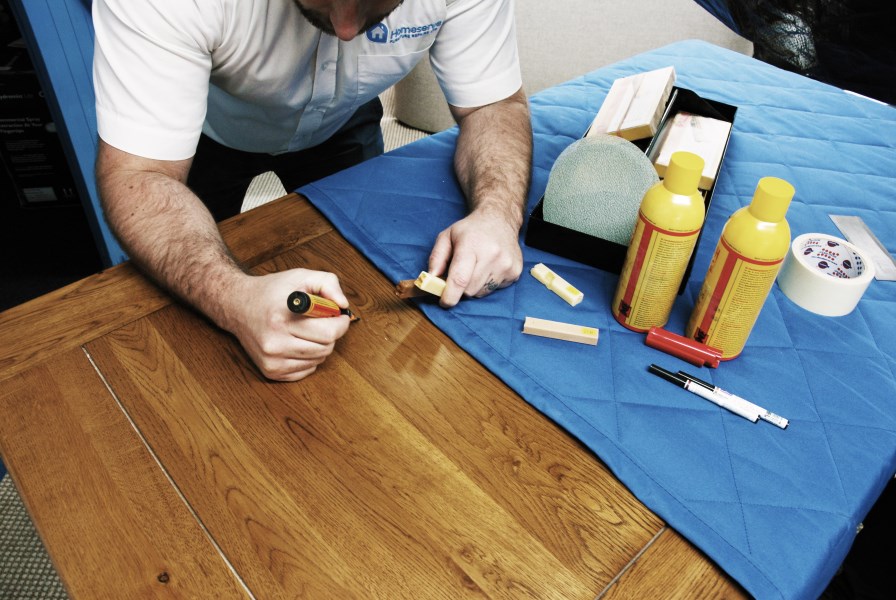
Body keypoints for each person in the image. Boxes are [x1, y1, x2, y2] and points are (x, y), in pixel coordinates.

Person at [92, 0, 533, 381]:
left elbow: (492, 104)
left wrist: (497, 213)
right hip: (209, 133)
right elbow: (139, 175)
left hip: (343, 117)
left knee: (362, 269)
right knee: (186, 309)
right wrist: (234, 298)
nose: (346, 28)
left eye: (376, 3)